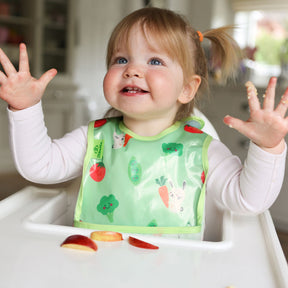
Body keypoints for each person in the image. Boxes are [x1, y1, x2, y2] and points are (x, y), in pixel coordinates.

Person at [0, 7, 287, 240]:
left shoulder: (201, 149)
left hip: (176, 272)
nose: (133, 70)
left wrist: (267, 147)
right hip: (98, 265)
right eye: (121, 59)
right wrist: (25, 108)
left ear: (187, 88)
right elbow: (39, 166)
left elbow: (247, 201)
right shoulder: (94, 139)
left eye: (155, 61)